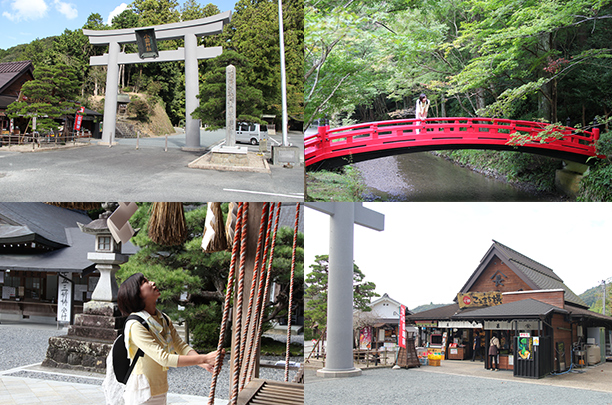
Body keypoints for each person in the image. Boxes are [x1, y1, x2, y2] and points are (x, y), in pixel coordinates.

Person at [116, 273, 223, 404]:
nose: (152, 283)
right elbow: (164, 358)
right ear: (135, 293)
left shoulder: (163, 318)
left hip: (160, 388)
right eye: (145, 282)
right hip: (141, 392)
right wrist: (204, 358)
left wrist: (203, 364)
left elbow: (180, 346)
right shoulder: (135, 325)